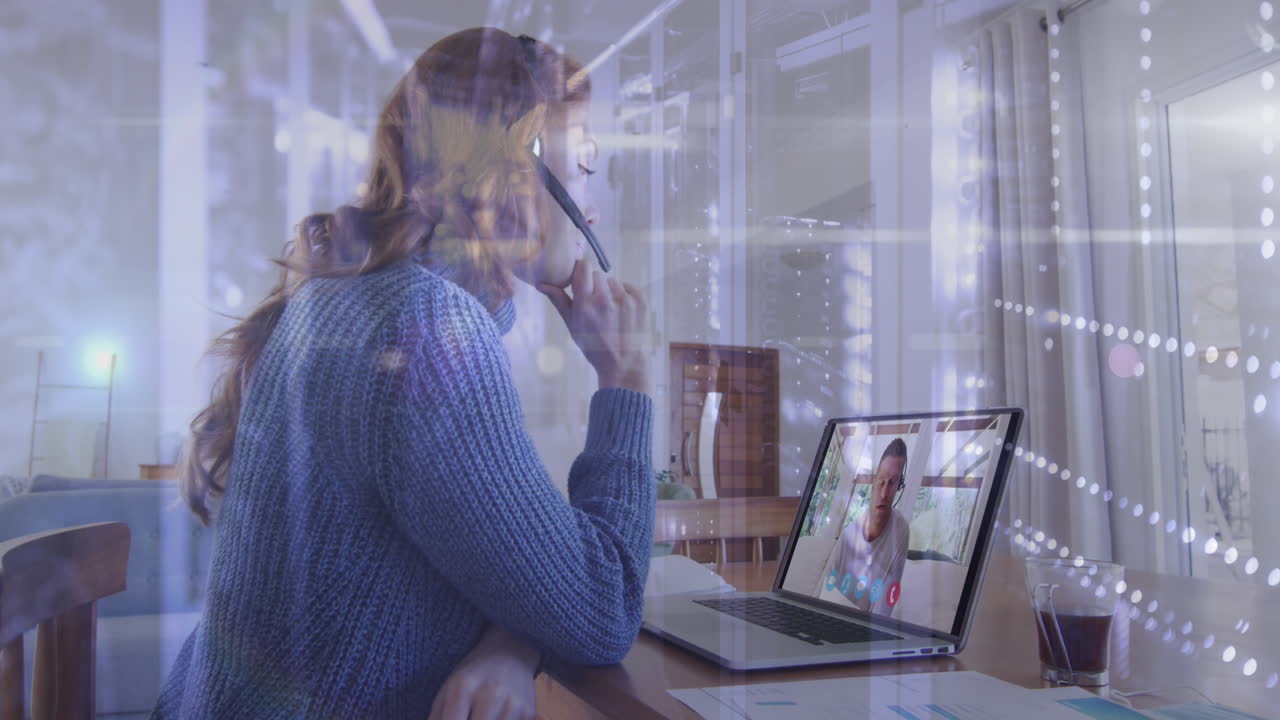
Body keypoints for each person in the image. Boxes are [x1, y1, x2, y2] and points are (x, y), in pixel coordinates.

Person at [151, 27, 655, 719]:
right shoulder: (427, 330)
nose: (594, 200)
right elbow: (603, 610)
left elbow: (506, 561)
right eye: (586, 162)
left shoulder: (363, 299)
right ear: (522, 160)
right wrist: (624, 382)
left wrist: (511, 642)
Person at [832, 438, 910, 616]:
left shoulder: (900, 530)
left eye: (892, 483)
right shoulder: (850, 531)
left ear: (900, 486)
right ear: (873, 481)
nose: (884, 494)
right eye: (881, 481)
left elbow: (884, 610)